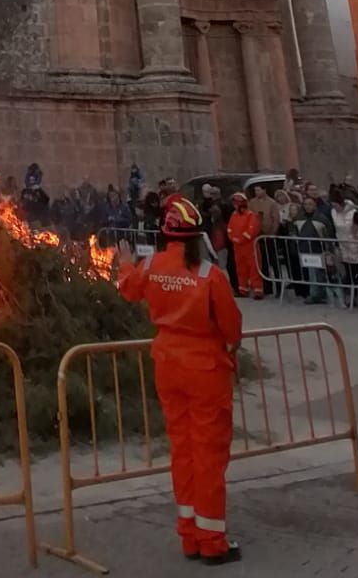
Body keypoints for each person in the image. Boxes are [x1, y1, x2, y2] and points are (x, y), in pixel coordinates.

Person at [118, 193, 243, 565]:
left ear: (165, 233)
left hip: (167, 367)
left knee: (183, 450)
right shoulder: (209, 276)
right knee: (209, 454)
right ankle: (212, 542)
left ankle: (189, 535)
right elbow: (233, 328)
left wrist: (124, 265)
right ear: (197, 236)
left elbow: (129, 290)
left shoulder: (151, 265)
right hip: (205, 371)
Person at [226, 194, 263, 300]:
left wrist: (240, 239)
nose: (235, 205)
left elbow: (251, 230)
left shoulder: (251, 215)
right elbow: (229, 229)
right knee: (241, 269)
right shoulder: (234, 215)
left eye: (236, 203)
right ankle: (243, 289)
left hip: (250, 247)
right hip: (238, 247)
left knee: (254, 268)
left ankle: (258, 290)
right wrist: (233, 238)